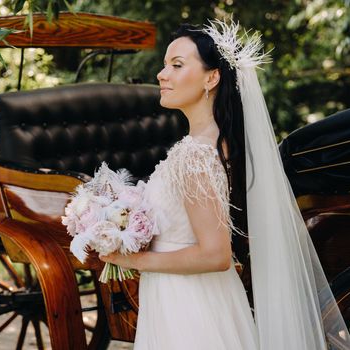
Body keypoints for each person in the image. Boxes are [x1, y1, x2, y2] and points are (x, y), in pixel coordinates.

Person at [100, 20, 350, 349]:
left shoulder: (195, 157)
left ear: (212, 77)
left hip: (189, 310)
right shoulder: (213, 146)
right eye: (164, 66)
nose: (162, 75)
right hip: (193, 298)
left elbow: (215, 255)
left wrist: (130, 260)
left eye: (177, 65)